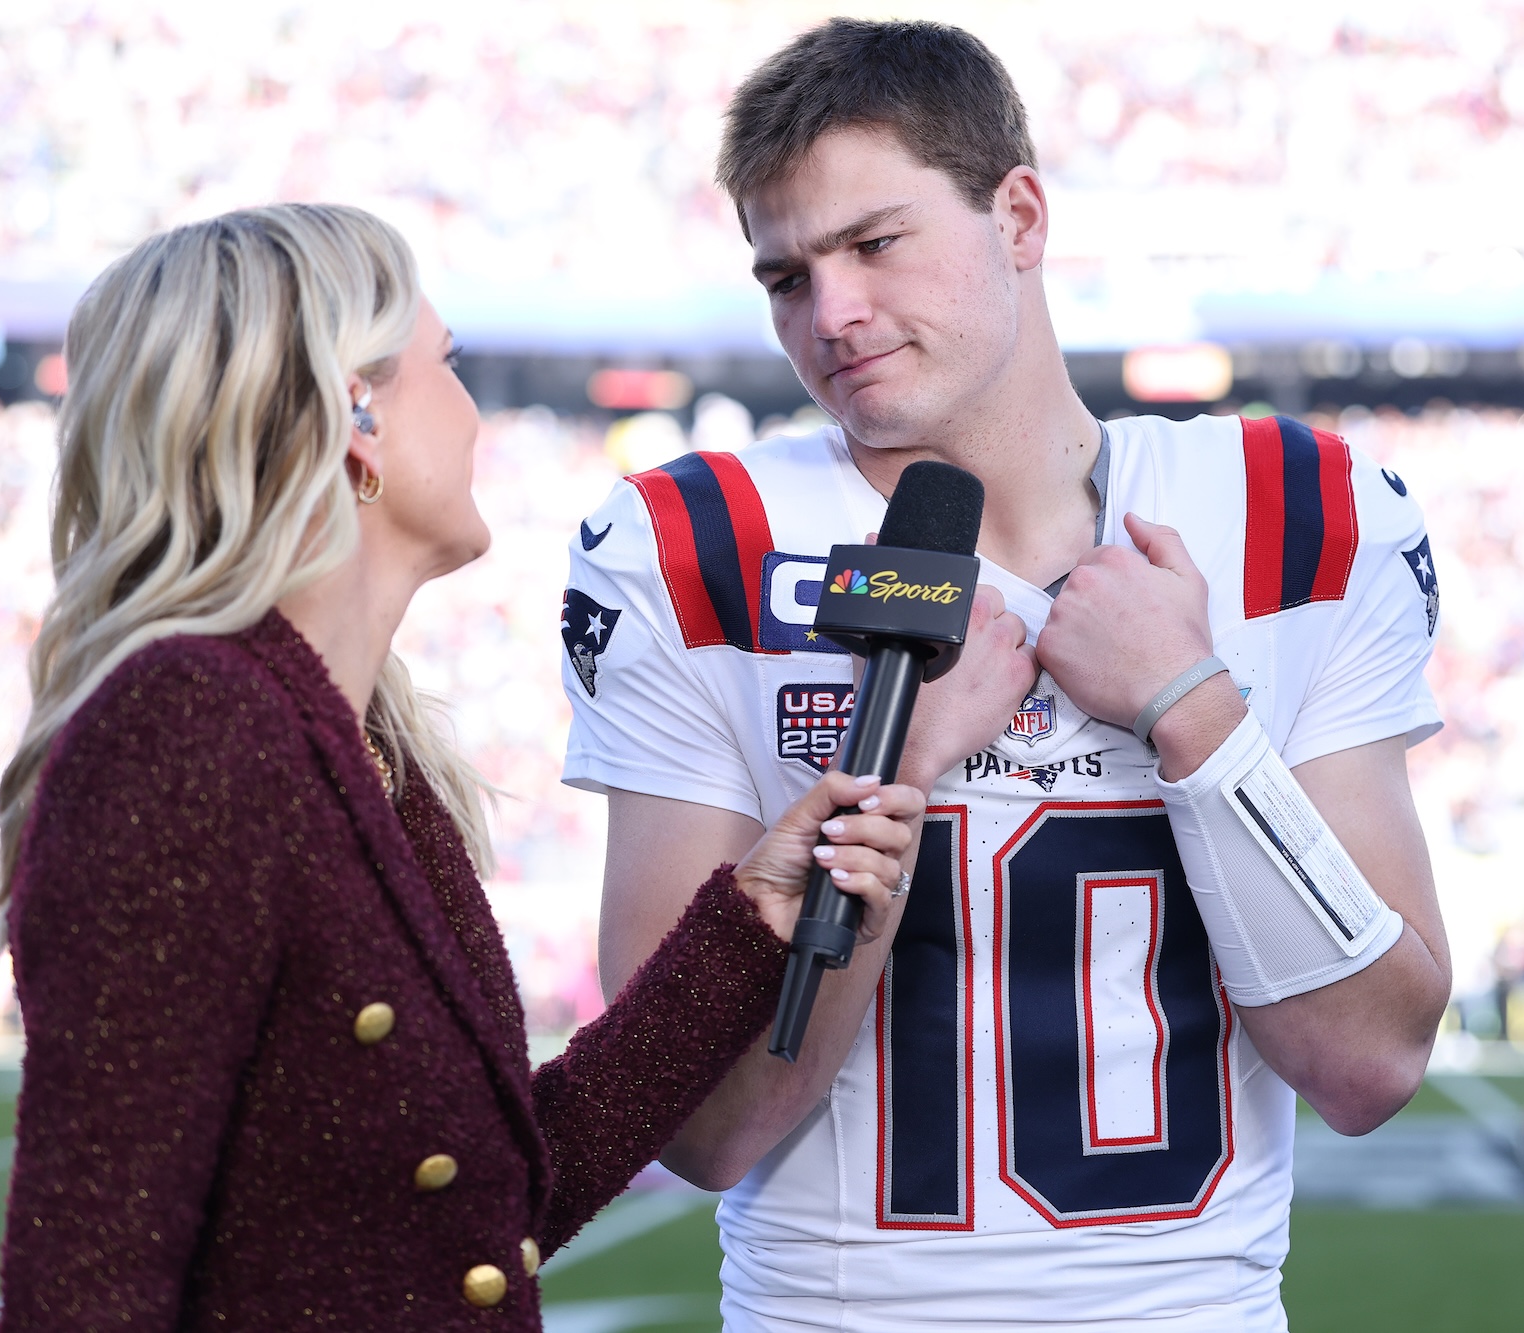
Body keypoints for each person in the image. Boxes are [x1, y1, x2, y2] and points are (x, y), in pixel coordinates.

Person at [562, 20, 1449, 1330]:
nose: (831, 313)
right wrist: (893, 766)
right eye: (786, 276)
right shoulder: (689, 545)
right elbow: (699, 1126)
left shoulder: (1295, 509)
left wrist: (1193, 709)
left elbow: (1371, 1063)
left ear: (1018, 216)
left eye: (875, 243)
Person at [0, 203, 924, 1331]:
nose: (478, 414)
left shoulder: (367, 746)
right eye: (449, 363)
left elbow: (485, 1206)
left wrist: (751, 918)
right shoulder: (188, 728)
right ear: (356, 414)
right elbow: (89, 1276)